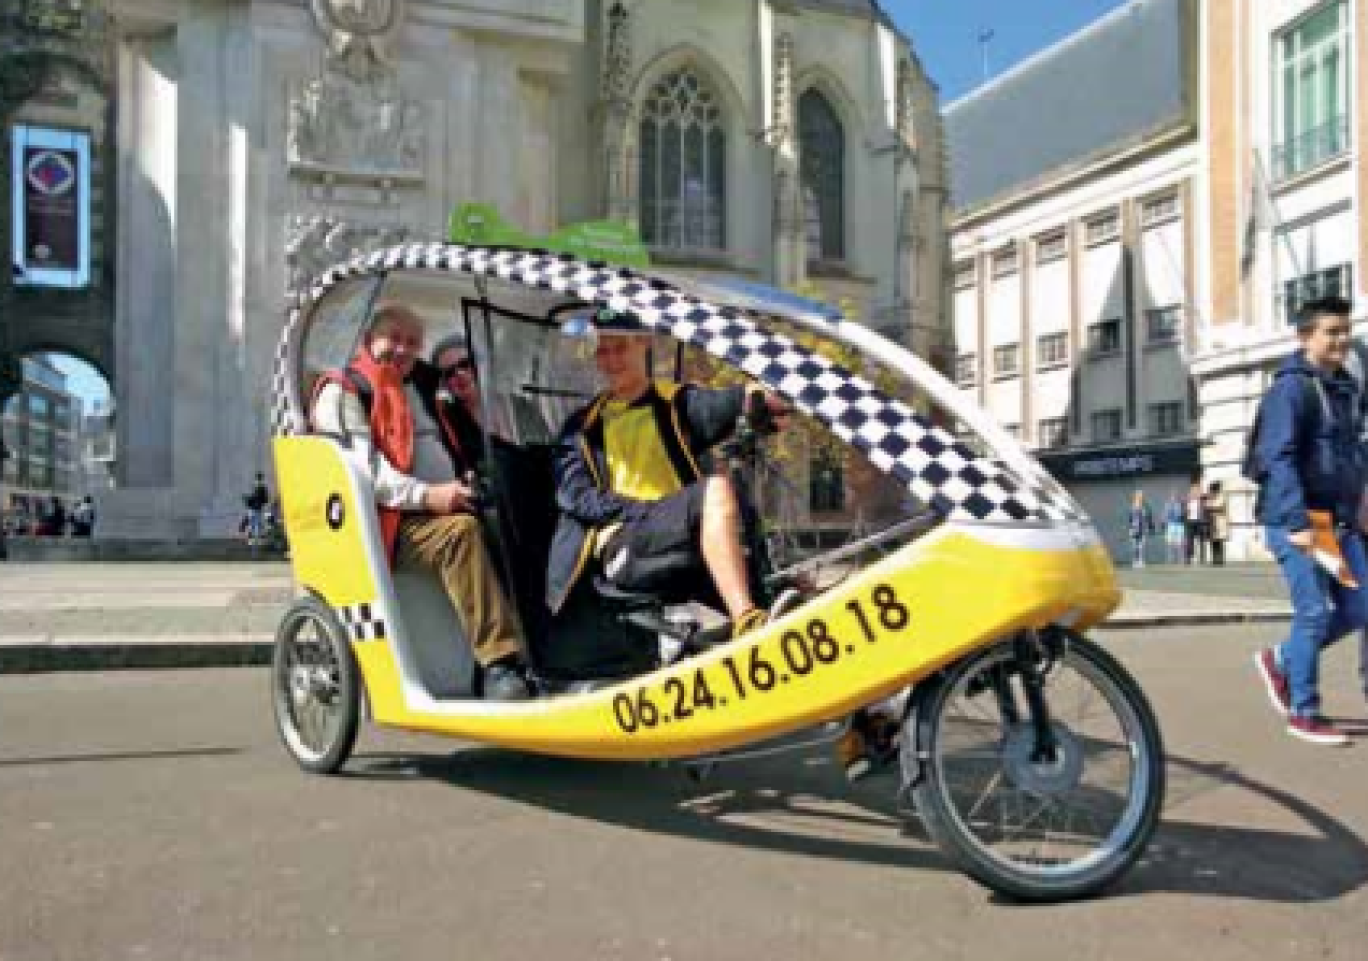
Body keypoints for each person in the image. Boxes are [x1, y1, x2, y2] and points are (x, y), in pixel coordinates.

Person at [311, 302, 532, 700]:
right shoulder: (344, 391)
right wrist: (429, 495)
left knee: (516, 518)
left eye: (412, 343)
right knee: (459, 534)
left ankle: (545, 648)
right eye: (393, 339)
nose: (402, 349)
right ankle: (499, 664)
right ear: (367, 340)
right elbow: (366, 472)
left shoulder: (423, 388)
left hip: (436, 509)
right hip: (386, 524)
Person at [1250, 296, 1368, 746]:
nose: (1340, 340)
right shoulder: (1292, 388)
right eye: (1330, 332)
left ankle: (1282, 660)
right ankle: (1304, 710)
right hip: (1301, 519)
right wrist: (1297, 519)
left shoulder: (1345, 389)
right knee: (1314, 612)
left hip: (1336, 520)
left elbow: (1349, 454)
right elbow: (1277, 458)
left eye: (1345, 331)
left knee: (1359, 607)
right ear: (1306, 337)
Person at [1125, 490, 1154, 568]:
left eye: (1141, 496)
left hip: (1142, 529)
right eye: (1138, 496)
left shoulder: (1145, 507)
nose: (1140, 497)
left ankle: (1140, 561)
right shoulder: (1132, 507)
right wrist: (1130, 529)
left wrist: (1149, 527)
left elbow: (1148, 518)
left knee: (1141, 546)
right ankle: (1135, 561)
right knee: (1134, 546)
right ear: (1135, 497)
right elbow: (1130, 519)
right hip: (1134, 529)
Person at [1205, 480, 1229, 566]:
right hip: (1212, 522)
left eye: (1211, 489)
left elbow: (1221, 508)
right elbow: (1206, 508)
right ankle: (1215, 559)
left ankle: (1220, 559)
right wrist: (1210, 508)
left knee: (1219, 541)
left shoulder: (1222, 497)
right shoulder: (1210, 498)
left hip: (1219, 521)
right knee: (1213, 541)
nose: (1210, 491)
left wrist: (1211, 509)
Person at [1183, 480, 1208, 565]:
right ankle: (1188, 558)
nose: (1196, 492)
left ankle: (1201, 558)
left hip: (1200, 521)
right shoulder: (1188, 501)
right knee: (1189, 541)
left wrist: (1202, 496)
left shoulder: (1203, 501)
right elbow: (1185, 512)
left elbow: (1205, 509)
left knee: (1201, 540)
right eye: (1194, 490)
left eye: (1197, 490)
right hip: (1190, 522)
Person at [243, 473, 269, 546]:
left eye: (259, 479)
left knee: (257, 525)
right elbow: (264, 499)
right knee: (253, 525)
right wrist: (248, 499)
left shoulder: (262, 488)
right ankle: (253, 540)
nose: (258, 481)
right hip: (254, 509)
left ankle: (258, 540)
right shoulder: (257, 488)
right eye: (258, 479)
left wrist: (249, 499)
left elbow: (265, 499)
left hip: (257, 509)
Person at [1162, 490, 1185, 565]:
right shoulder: (1168, 505)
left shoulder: (1181, 504)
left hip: (1179, 525)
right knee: (1170, 543)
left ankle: (1181, 560)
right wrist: (1164, 522)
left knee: (1180, 543)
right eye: (1173, 496)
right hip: (1171, 525)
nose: (1174, 497)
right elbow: (1165, 515)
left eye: (1175, 496)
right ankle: (1170, 560)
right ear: (1170, 497)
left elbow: (1183, 514)